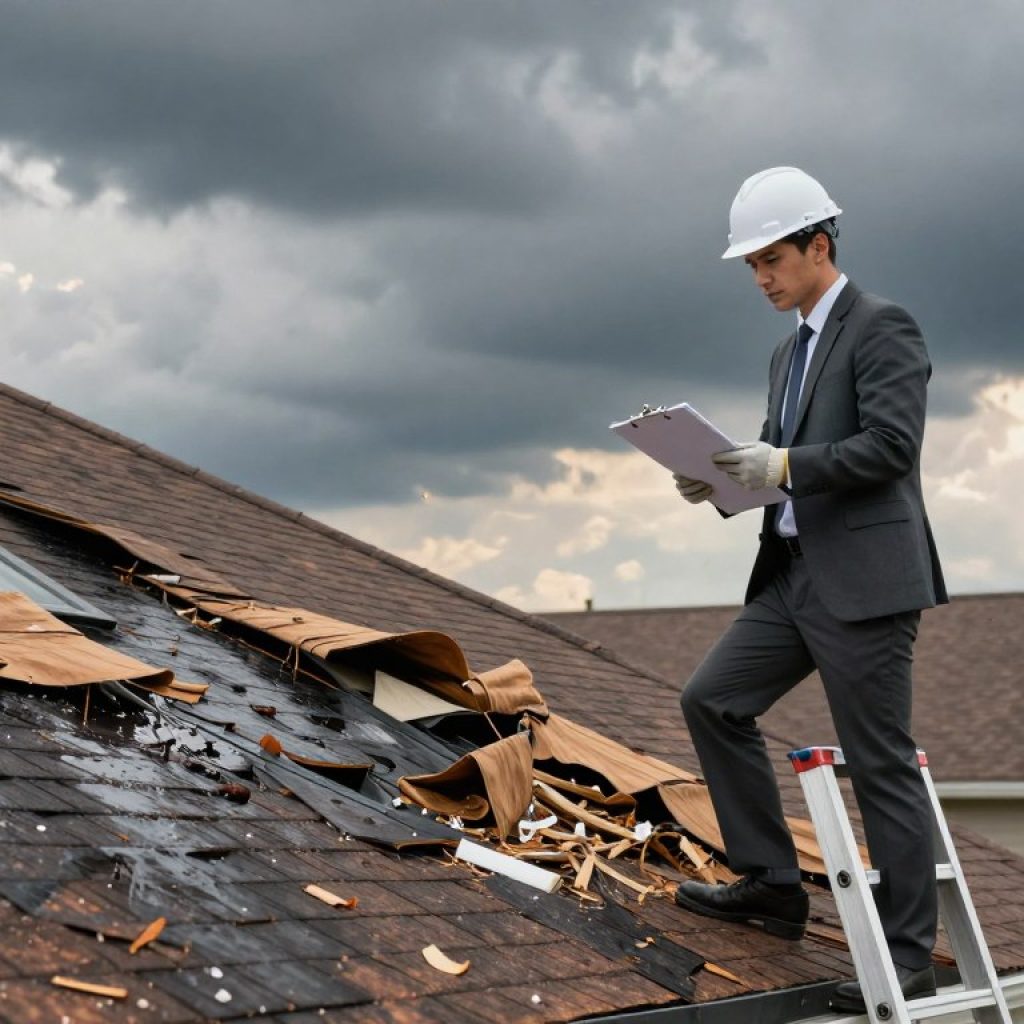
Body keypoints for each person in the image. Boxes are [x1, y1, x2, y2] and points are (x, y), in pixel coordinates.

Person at [672, 166, 947, 1015]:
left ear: (817, 246)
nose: (759, 278)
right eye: (750, 264)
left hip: (864, 582)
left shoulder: (882, 327)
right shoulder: (785, 352)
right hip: (792, 577)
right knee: (711, 701)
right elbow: (768, 466)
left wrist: (784, 464)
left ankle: (907, 956)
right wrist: (713, 479)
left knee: (879, 763)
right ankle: (772, 884)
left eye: (769, 260)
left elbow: (892, 447)